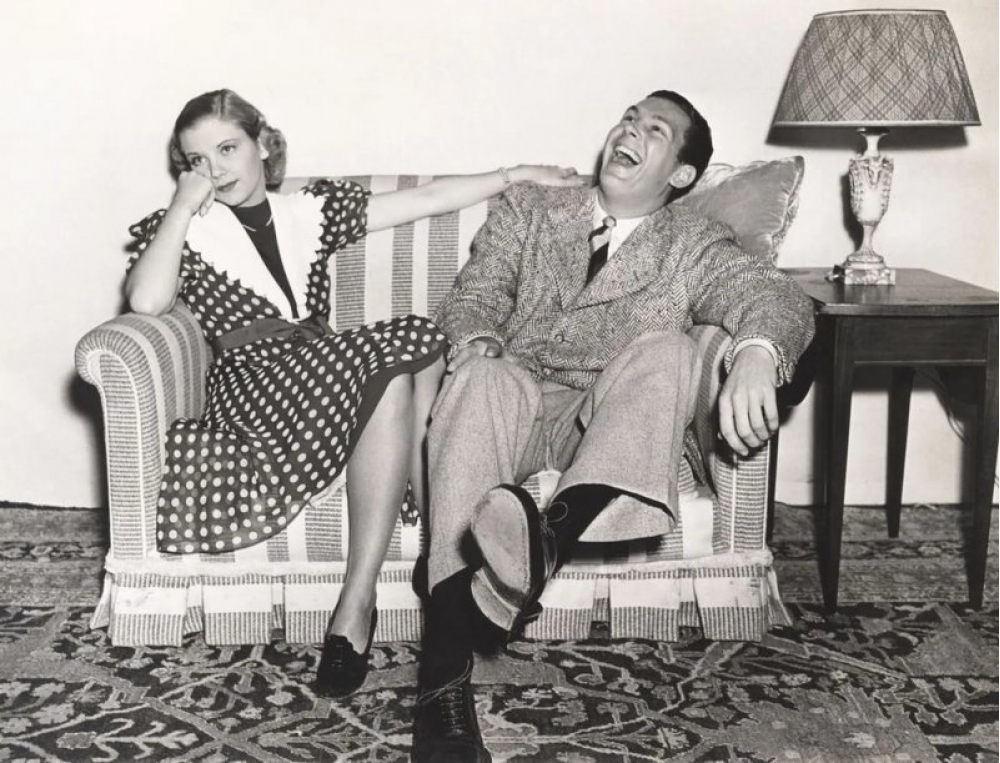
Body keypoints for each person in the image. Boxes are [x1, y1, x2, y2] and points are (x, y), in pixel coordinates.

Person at [124, 88, 583, 700]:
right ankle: (445, 563)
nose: (216, 169)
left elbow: (425, 199)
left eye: (228, 149)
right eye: (197, 160)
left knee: (397, 368)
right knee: (409, 339)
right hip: (254, 388)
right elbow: (146, 300)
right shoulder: (188, 228)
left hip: (326, 382)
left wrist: (515, 174)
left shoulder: (309, 211)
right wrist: (182, 206)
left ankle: (361, 600)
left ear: (263, 145)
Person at [409, 90, 815, 762]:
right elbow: (476, 292)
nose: (630, 131)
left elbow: (774, 296)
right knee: (480, 375)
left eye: (655, 129)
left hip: (599, 424)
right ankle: (444, 674)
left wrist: (755, 353)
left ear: (681, 174)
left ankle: (545, 542)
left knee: (672, 350)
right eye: (629, 118)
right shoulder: (531, 208)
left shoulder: (693, 243)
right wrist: (478, 338)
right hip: (513, 397)